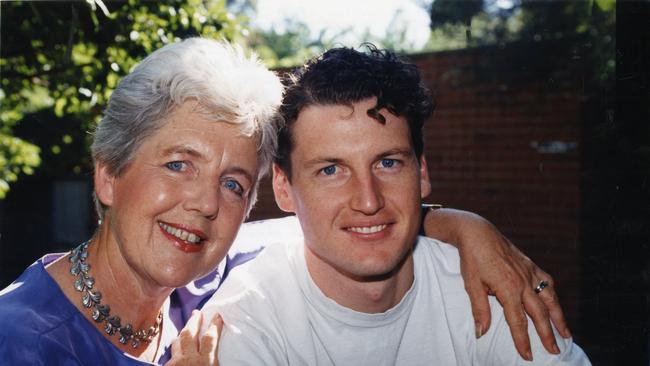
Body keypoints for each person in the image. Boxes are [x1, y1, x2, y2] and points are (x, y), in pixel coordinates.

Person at [0, 38, 565, 365]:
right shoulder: (18, 340)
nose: (203, 204)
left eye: (233, 183)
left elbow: (351, 224)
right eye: (179, 164)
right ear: (108, 175)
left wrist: (467, 229)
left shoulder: (216, 268)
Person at [201, 45, 591, 365]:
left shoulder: (488, 286)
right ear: (284, 188)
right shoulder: (244, 320)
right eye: (331, 170)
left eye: (388, 163)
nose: (369, 200)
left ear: (421, 173)